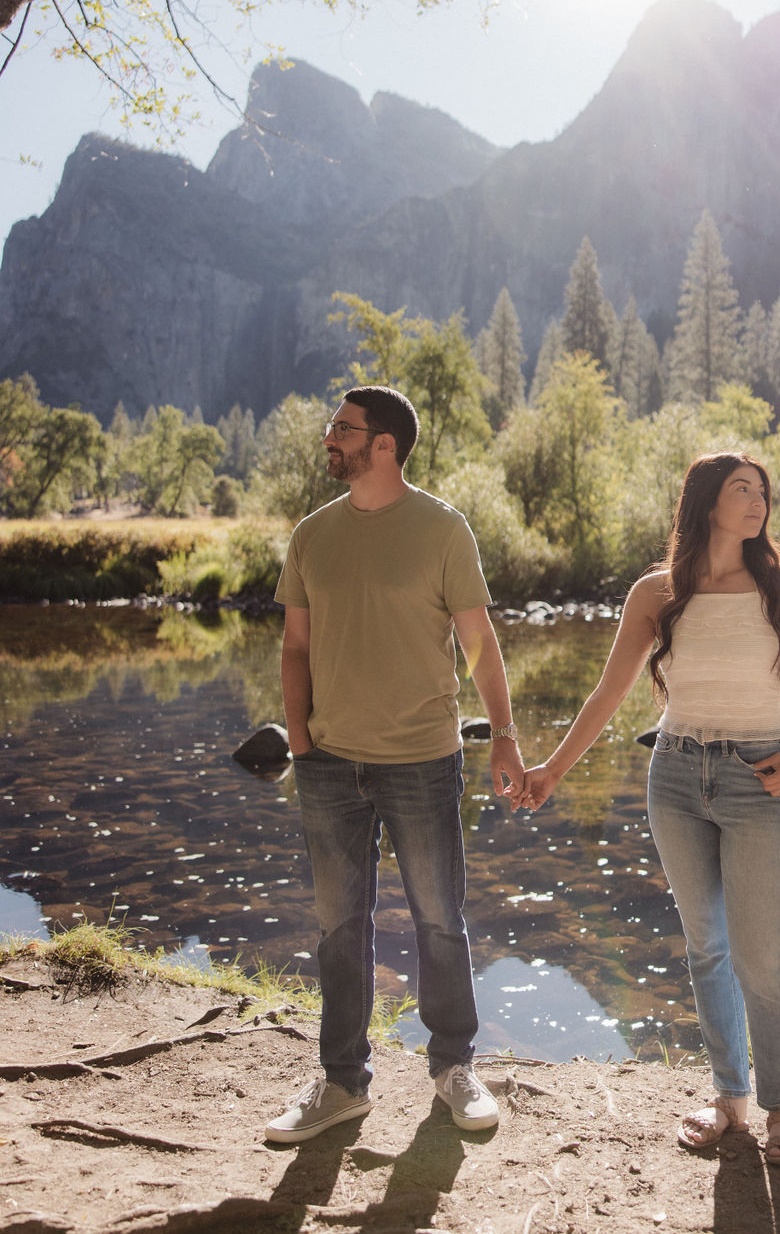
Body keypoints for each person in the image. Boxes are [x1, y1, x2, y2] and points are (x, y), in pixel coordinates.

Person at [516, 452, 780, 1166]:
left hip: (760, 776)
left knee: (759, 957)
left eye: (762, 491)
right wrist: (553, 768)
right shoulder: (658, 591)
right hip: (677, 777)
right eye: (741, 489)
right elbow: (608, 692)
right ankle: (729, 1096)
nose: (757, 502)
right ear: (706, 502)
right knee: (707, 947)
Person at [265, 384, 524, 1143]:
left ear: (384, 444)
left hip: (421, 758)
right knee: (338, 924)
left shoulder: (443, 528)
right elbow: (296, 646)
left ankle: (453, 1069)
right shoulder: (313, 534)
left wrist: (503, 732)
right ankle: (342, 1082)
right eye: (331, 426)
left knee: (440, 918)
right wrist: (301, 740)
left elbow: (479, 642)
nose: (328, 438)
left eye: (341, 428)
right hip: (329, 762)